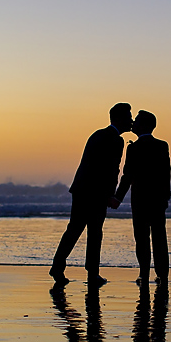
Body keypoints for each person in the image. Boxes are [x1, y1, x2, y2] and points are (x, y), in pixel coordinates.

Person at [50, 103, 132, 287]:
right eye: (128, 117)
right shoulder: (116, 141)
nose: (131, 121)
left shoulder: (97, 134)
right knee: (94, 233)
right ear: (119, 119)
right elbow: (111, 171)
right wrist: (111, 196)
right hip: (96, 193)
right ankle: (92, 273)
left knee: (74, 230)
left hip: (81, 190)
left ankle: (58, 266)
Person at [111, 110, 171, 286]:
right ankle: (162, 275)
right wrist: (166, 196)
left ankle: (144, 274)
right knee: (159, 237)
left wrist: (117, 198)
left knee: (142, 238)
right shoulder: (162, 146)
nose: (133, 124)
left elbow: (127, 176)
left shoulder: (134, 148)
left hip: (140, 201)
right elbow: (166, 173)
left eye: (136, 121)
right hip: (158, 200)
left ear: (143, 125)